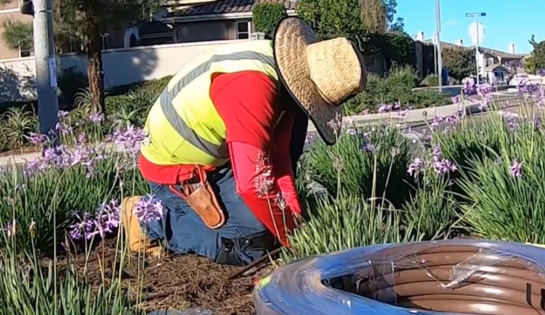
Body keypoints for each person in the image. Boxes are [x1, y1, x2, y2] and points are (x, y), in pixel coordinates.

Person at [122, 17, 366, 266]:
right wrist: (291, 241)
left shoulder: (281, 72)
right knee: (252, 246)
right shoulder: (252, 89)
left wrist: (294, 219)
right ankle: (148, 219)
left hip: (216, 157)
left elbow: (279, 159)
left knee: (268, 225)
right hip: (173, 168)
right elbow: (252, 185)